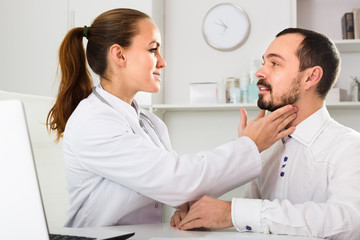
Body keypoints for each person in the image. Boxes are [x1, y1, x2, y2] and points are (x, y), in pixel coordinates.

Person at [46, 8, 297, 228]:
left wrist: (184, 205)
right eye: (153, 50)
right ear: (119, 55)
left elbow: (173, 185)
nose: (163, 62)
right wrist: (250, 145)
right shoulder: (93, 122)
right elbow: (177, 180)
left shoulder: (149, 121)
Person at [172, 28, 360, 239]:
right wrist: (203, 216)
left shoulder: (349, 147)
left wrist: (231, 213)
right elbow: (251, 224)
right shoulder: (267, 148)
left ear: (311, 77)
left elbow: (351, 221)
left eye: (275, 63)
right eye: (264, 62)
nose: (260, 72)